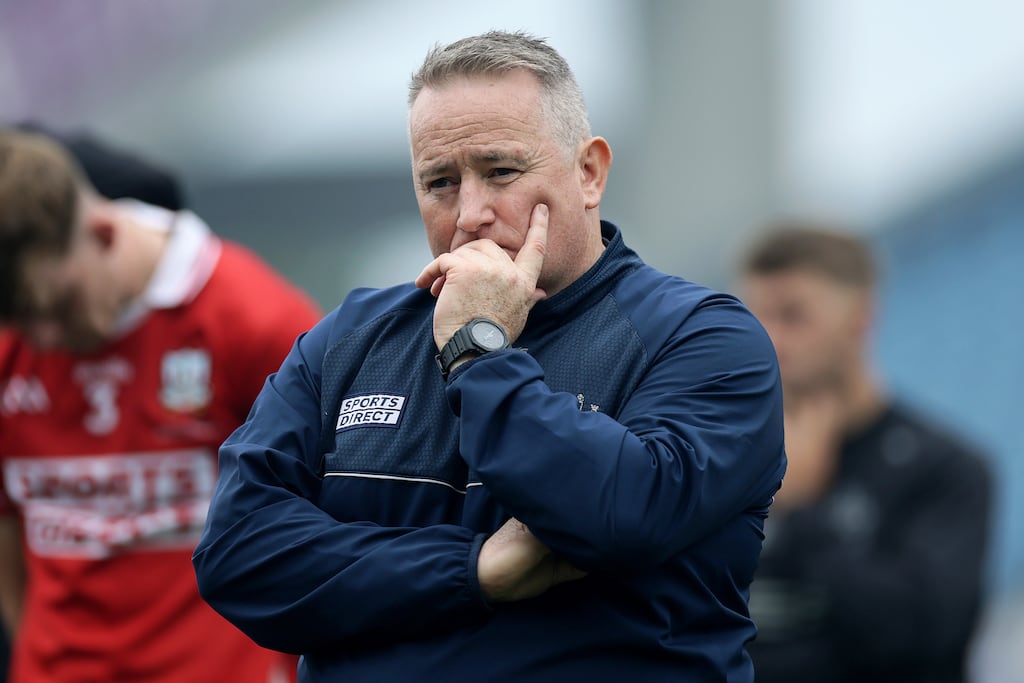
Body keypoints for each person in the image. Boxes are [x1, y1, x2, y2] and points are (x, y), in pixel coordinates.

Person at [192, 30, 786, 683]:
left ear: (589, 173)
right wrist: (472, 569)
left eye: (501, 171)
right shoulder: (349, 339)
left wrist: (477, 350)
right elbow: (237, 554)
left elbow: (619, 517)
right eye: (440, 182)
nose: (470, 213)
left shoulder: (703, 338)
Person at [0, 128, 322, 682]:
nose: (44, 338)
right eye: (21, 320)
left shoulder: (256, 320)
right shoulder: (12, 347)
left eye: (58, 306)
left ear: (104, 233)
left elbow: (326, 519)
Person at [738, 223, 992, 683]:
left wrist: (805, 508)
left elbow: (926, 639)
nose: (770, 339)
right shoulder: (723, 463)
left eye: (793, 316)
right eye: (756, 317)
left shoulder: (945, 470)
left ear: (860, 318)